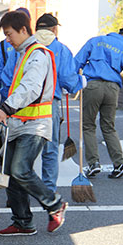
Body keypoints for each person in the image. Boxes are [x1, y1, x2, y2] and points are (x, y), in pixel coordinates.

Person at [0, 11, 68, 236]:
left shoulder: (37, 55)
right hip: (20, 122)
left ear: (23, 30)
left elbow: (30, 88)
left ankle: (54, 204)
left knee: (20, 169)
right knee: (10, 173)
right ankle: (23, 221)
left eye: (9, 34)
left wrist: (5, 108)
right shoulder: (25, 53)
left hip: (35, 123)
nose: (8, 39)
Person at [75, 28, 123, 179]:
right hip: (112, 89)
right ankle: (119, 163)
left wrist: (69, 83)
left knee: (88, 125)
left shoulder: (95, 41)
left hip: (93, 86)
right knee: (108, 126)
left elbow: (77, 62)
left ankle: (93, 164)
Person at [34, 13, 85, 193]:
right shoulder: (61, 50)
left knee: (25, 153)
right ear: (54, 29)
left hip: (24, 106)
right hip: (49, 106)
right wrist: (80, 82)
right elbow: (69, 81)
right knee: (50, 149)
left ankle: (20, 192)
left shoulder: (25, 46)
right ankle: (48, 191)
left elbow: (8, 76)